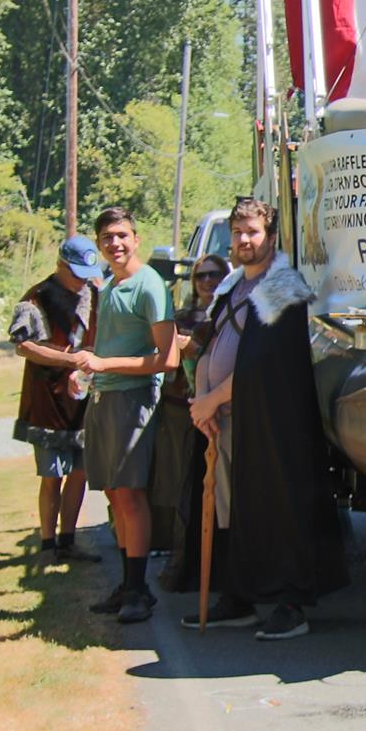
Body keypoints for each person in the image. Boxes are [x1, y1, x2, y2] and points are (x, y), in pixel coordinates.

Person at [186, 197, 346, 639]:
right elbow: (210, 342)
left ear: (270, 237)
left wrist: (212, 399)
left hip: (275, 426)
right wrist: (204, 400)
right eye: (238, 233)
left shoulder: (281, 285)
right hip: (234, 419)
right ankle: (240, 596)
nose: (243, 240)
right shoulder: (236, 283)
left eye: (252, 232)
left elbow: (261, 364)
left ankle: (291, 604)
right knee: (237, 511)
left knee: (280, 509)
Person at [79, 208, 179, 624]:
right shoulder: (109, 286)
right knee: (114, 494)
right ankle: (127, 584)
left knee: (131, 494)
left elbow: (168, 358)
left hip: (133, 398)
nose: (115, 243)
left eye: (122, 235)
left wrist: (105, 366)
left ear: (136, 239)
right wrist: (88, 372)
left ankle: (139, 590)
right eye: (107, 237)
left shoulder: (149, 285)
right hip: (103, 397)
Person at [10, 235, 103, 561]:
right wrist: (69, 359)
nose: (81, 280)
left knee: (80, 473)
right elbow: (23, 345)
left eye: (85, 274)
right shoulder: (37, 298)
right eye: (75, 273)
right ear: (60, 265)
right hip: (48, 402)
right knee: (52, 476)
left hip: (85, 399)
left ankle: (69, 539)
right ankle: (48, 543)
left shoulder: (95, 295)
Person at [155, 252, 226, 590]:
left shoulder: (228, 312)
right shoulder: (182, 316)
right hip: (181, 409)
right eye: (202, 276)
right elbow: (167, 355)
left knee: (215, 491)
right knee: (182, 486)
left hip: (221, 412)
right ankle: (184, 562)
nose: (209, 281)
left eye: (215, 275)